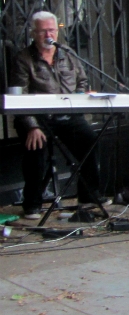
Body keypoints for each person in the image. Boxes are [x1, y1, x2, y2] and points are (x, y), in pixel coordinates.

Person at [9, 11, 106, 219]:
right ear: (33, 33)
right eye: (43, 31)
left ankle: (89, 196)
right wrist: (32, 126)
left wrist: (81, 95)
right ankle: (32, 204)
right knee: (36, 148)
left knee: (89, 139)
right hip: (38, 118)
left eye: (51, 30)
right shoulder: (23, 59)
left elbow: (82, 80)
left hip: (68, 115)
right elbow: (20, 96)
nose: (48, 35)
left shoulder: (67, 53)